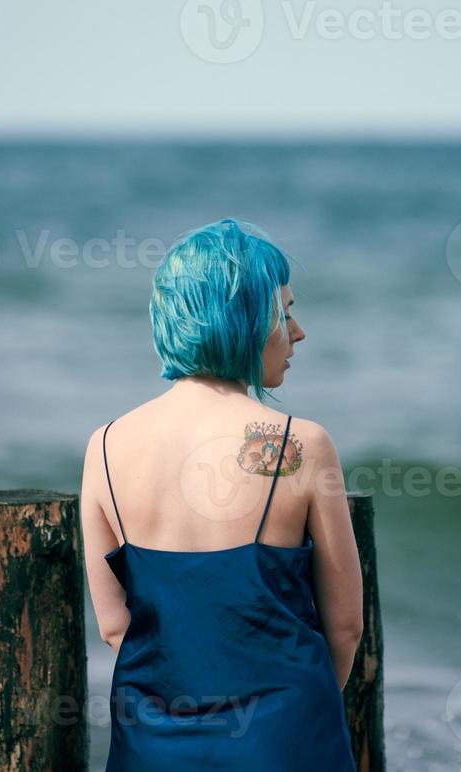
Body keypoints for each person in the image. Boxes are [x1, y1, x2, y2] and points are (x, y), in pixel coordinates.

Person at [81, 217, 363, 771]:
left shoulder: (106, 446)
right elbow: (346, 627)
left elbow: (116, 627)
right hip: (283, 740)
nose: (299, 331)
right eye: (284, 313)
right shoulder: (300, 444)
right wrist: (293, 709)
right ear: (245, 319)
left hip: (152, 745)